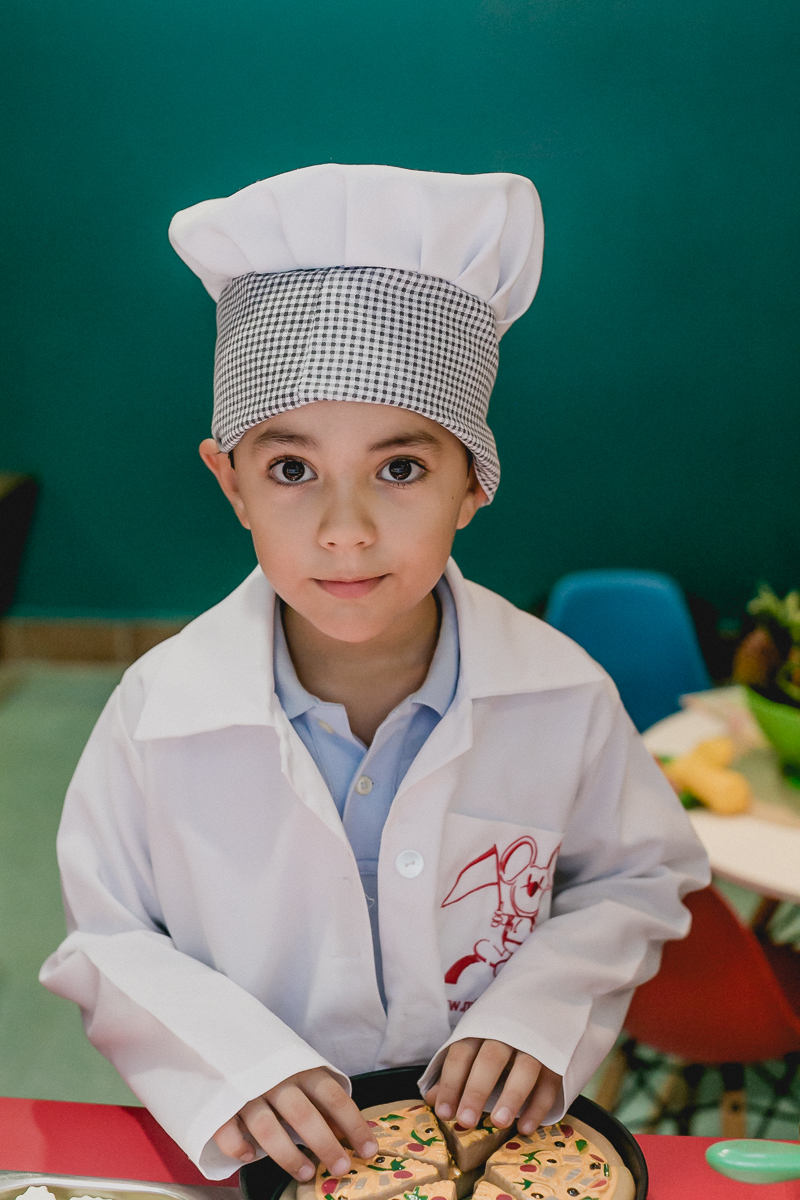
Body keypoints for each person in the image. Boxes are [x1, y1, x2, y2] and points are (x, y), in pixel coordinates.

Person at [40, 163, 709, 1182]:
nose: (344, 532)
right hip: (261, 1153)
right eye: (290, 469)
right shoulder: (160, 714)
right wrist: (242, 1066)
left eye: (399, 469)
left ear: (471, 483)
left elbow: (632, 878)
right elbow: (109, 938)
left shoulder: (562, 695)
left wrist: (535, 1013)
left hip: (493, 1152)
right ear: (230, 483)